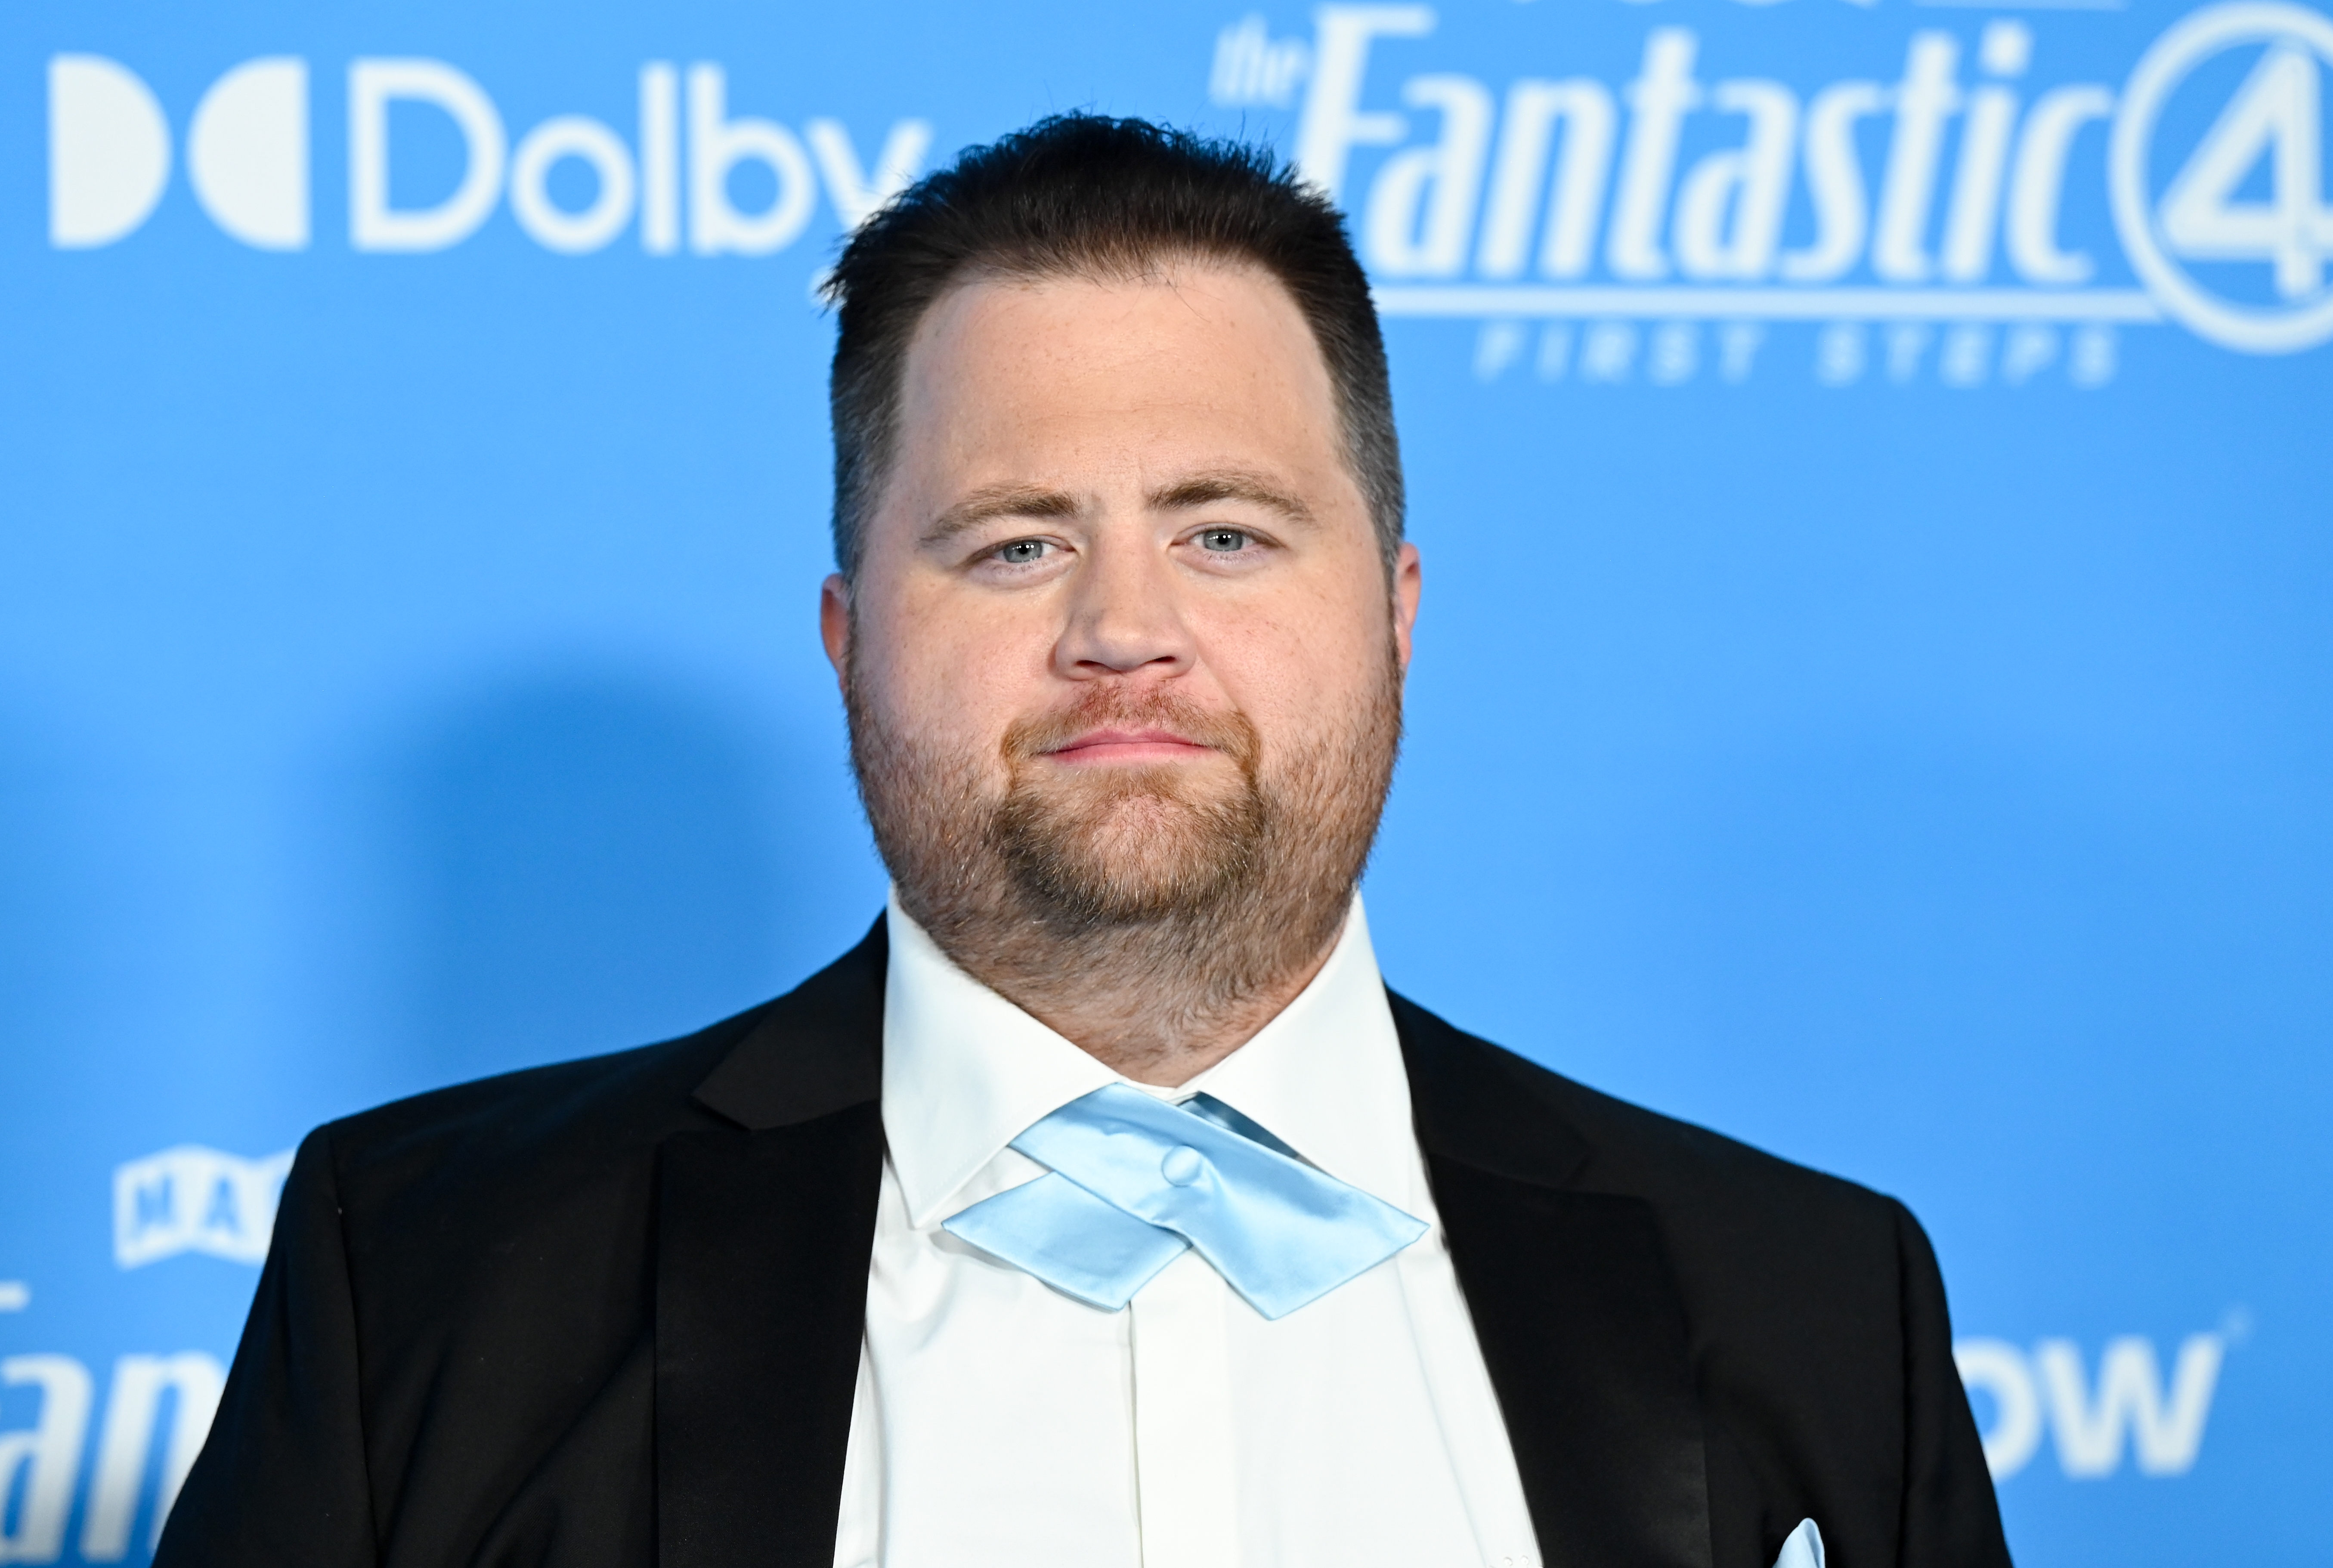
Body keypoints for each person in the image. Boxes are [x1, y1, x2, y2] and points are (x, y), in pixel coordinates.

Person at [159, 114, 2010, 1568]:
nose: (1123, 626)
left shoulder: (1810, 1301)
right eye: (1015, 538)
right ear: (847, 636)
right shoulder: (424, 1274)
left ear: (1397, 611)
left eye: (1224, 530)